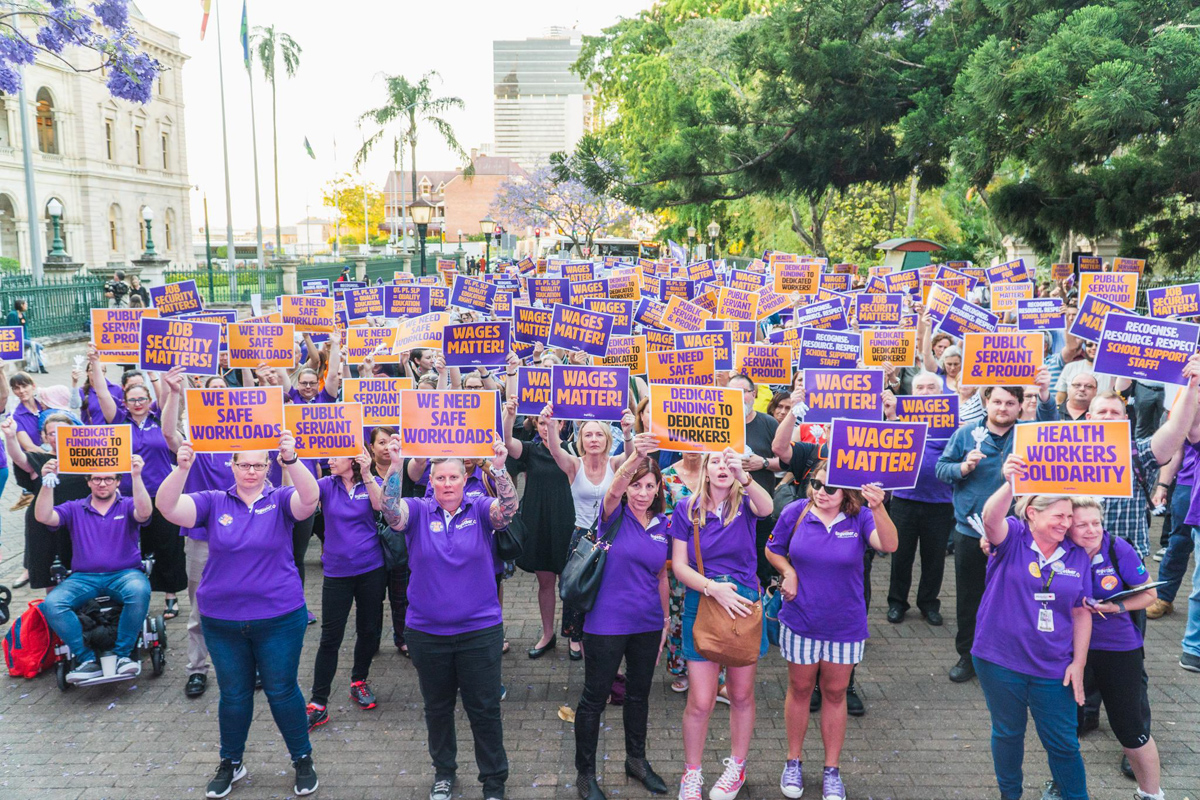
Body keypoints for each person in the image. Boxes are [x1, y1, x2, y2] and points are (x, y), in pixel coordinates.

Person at [155, 433, 321, 799]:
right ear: (231, 465)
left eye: (259, 464)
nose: (251, 471)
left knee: (281, 690)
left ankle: (302, 758)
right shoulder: (213, 501)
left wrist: (291, 460)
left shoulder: (279, 499)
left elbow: (309, 500)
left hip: (278, 616)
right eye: (243, 464)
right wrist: (182, 469)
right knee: (233, 695)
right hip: (222, 619)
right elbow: (167, 507)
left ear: (267, 467)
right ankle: (231, 761)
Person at [380, 437, 519, 800]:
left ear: (464, 479)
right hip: (427, 633)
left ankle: (493, 781)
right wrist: (395, 467)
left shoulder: (480, 508)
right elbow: (390, 512)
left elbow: (508, 509)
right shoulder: (418, 510)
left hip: (480, 631)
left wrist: (500, 467)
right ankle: (444, 772)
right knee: (437, 708)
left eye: (453, 477)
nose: (446, 484)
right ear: (431, 481)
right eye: (439, 477)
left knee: (484, 709)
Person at [765, 461, 898, 800]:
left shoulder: (860, 516)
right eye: (817, 485)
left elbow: (889, 544)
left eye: (830, 488)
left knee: (836, 694)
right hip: (801, 620)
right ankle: (792, 761)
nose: (821, 492)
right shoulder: (795, 511)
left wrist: (878, 506)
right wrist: (787, 572)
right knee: (799, 688)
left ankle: (832, 770)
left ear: (846, 493)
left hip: (845, 624)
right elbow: (772, 548)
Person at [973, 457, 1092, 800]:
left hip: (1053, 664)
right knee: (1008, 733)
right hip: (999, 658)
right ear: (1032, 514)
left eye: (1069, 517)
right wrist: (1011, 483)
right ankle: (1010, 795)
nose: (1065, 523)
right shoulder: (1013, 536)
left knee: (1063, 742)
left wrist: (1079, 663)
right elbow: (989, 519)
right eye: (1059, 516)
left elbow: (1081, 612)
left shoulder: (1076, 554)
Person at [936, 377, 1057, 684]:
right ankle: (969, 654)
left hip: (1017, 534)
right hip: (970, 530)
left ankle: (1010, 655)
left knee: (1016, 596)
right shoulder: (966, 434)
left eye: (1010, 403)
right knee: (970, 596)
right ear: (986, 401)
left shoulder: (1029, 435)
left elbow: (1053, 426)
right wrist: (962, 468)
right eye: (997, 402)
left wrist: (1045, 396)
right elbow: (941, 469)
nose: (1003, 408)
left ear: (1020, 406)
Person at [670, 448, 774, 800]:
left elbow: (768, 508)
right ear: (705, 468)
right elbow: (679, 566)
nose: (722, 467)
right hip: (703, 601)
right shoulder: (687, 508)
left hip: (744, 604)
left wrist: (745, 475)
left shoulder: (746, 503)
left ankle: (737, 767)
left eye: (728, 461)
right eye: (715, 461)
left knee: (742, 694)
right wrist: (713, 588)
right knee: (701, 700)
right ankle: (692, 772)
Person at [573, 435, 670, 800]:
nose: (642, 492)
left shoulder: (663, 525)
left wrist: (663, 623)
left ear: (659, 488)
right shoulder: (612, 513)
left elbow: (661, 576)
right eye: (636, 485)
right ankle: (585, 774)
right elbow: (612, 489)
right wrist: (635, 458)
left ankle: (637, 761)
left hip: (646, 623)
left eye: (649, 485)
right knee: (594, 698)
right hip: (606, 623)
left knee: (639, 696)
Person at [1054, 498, 1164, 800]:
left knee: (1130, 726)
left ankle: (1151, 793)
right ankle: (1062, 785)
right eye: (1082, 525)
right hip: (1070, 650)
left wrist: (1115, 606)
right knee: (1065, 726)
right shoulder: (1057, 550)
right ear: (1067, 527)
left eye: (1096, 523)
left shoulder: (1117, 549)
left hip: (1118, 649)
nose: (1092, 530)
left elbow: (1150, 595)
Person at [34, 454, 153, 682]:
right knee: (52, 604)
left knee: (139, 591)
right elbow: (44, 516)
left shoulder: (128, 504)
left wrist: (136, 476)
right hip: (84, 577)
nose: (102, 483)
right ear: (88, 481)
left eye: (109, 479)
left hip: (124, 573)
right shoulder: (75, 508)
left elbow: (145, 513)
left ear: (118, 481)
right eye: (96, 479)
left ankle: (123, 655)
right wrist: (47, 481)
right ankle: (86, 659)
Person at [90, 355, 184, 620]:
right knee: (131, 549)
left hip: (162, 494)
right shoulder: (118, 421)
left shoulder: (160, 419)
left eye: (143, 399)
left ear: (149, 400)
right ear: (125, 402)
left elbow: (170, 396)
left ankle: (171, 596)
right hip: (128, 497)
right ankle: (132, 598)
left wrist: (158, 369)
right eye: (133, 399)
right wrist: (95, 361)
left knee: (168, 546)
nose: (138, 403)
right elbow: (100, 391)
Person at [540, 404, 633, 658]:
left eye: (599, 434)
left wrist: (628, 432)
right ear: (581, 439)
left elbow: (632, 458)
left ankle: (607, 632)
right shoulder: (574, 465)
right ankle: (574, 635)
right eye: (588, 435)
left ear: (607, 438)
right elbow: (555, 450)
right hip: (582, 537)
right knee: (578, 588)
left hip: (612, 536)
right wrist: (550, 423)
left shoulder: (616, 463)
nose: (594, 439)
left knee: (608, 589)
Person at [306, 451, 387, 730]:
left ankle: (358, 681)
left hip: (371, 569)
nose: (329, 460)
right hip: (336, 572)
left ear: (353, 459)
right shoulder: (326, 485)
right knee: (330, 636)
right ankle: (318, 702)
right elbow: (302, 497)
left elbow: (382, 507)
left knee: (368, 629)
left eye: (335, 456)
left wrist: (367, 474)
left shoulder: (370, 481)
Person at [501, 397, 576, 658]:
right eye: (542, 423)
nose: (547, 427)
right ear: (535, 423)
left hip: (567, 520)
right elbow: (508, 443)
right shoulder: (531, 451)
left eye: (553, 422)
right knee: (545, 583)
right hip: (540, 521)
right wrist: (509, 415)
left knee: (572, 582)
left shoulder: (573, 450)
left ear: (563, 423)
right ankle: (547, 634)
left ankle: (574, 635)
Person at [883, 372, 954, 625]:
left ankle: (929, 603)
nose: (925, 392)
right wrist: (892, 417)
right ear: (912, 394)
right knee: (901, 555)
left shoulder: (951, 421)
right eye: (920, 387)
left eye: (931, 387)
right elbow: (886, 448)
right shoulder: (900, 416)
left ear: (941, 392)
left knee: (934, 558)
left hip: (940, 500)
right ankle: (896, 602)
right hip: (905, 498)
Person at [4, 412, 88, 590]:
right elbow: (19, 457)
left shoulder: (87, 458)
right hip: (47, 526)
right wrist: (10, 436)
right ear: (45, 437)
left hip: (80, 523)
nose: (58, 437)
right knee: (52, 576)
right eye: (52, 433)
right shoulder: (40, 459)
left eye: (62, 431)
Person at [726, 374, 781, 587]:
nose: (738, 398)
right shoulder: (718, 423)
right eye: (732, 393)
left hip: (759, 511)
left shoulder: (768, 424)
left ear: (754, 394)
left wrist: (764, 463)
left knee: (760, 566)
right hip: (726, 511)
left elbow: (787, 462)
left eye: (743, 393)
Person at [661, 452, 704, 693]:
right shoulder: (667, 477)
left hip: (713, 559)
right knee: (679, 614)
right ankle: (680, 668)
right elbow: (665, 517)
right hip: (680, 556)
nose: (692, 447)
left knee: (710, 614)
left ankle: (713, 669)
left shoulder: (716, 473)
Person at [6, 299, 46, 374]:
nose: (27, 306)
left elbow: (25, 328)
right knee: (36, 345)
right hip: (17, 339)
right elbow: (11, 329)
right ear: (21, 305)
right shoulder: (12, 315)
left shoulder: (23, 315)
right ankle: (41, 367)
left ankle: (37, 366)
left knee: (39, 346)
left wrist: (28, 339)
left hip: (24, 338)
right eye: (26, 304)